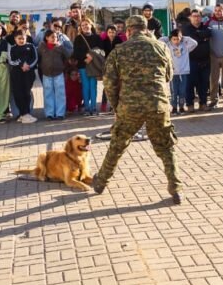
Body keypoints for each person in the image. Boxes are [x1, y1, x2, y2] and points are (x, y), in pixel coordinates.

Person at [92, 15, 182, 203]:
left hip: (129, 106)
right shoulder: (161, 47)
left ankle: (100, 182)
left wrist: (116, 105)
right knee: (166, 146)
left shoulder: (119, 51)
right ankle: (175, 187)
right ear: (146, 28)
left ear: (129, 30)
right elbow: (168, 75)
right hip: (157, 104)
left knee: (117, 144)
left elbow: (109, 82)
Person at [160, 29, 198, 115]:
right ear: (171, 39)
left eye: (178, 39)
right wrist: (168, 38)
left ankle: (181, 106)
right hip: (173, 73)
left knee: (182, 91)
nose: (176, 41)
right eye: (174, 39)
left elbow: (195, 43)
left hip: (184, 72)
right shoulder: (168, 46)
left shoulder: (185, 45)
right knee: (174, 91)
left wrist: (184, 38)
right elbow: (159, 41)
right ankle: (173, 107)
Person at [180, 10, 211, 112]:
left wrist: (198, 35)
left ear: (201, 17)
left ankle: (203, 103)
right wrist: (202, 37)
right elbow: (192, 37)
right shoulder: (185, 29)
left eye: (198, 16)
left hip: (205, 61)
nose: (196, 18)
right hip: (191, 61)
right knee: (190, 84)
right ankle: (190, 104)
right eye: (194, 16)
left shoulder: (206, 27)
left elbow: (209, 33)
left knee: (204, 84)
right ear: (190, 17)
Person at [8, 30, 38, 123]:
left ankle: (27, 113)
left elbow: (35, 58)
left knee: (26, 93)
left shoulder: (31, 46)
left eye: (23, 38)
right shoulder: (12, 48)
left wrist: (28, 65)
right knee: (18, 94)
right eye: (19, 39)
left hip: (29, 73)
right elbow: (11, 60)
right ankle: (22, 114)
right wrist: (21, 65)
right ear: (15, 39)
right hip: (17, 74)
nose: (21, 40)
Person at [73, 20, 102, 116]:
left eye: (87, 24)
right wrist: (86, 57)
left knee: (93, 87)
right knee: (85, 87)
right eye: (83, 25)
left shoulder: (97, 37)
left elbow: (101, 50)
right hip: (83, 65)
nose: (85, 26)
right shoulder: (78, 38)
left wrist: (92, 57)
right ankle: (86, 108)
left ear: (91, 25)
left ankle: (93, 107)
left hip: (93, 66)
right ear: (80, 27)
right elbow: (76, 52)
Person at [38, 29, 67, 120]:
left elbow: (68, 55)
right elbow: (38, 57)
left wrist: (62, 46)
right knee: (48, 94)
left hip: (58, 73)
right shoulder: (41, 47)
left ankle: (60, 113)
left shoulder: (60, 47)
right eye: (52, 37)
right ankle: (49, 113)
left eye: (56, 37)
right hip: (46, 74)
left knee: (60, 93)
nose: (55, 38)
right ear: (47, 38)